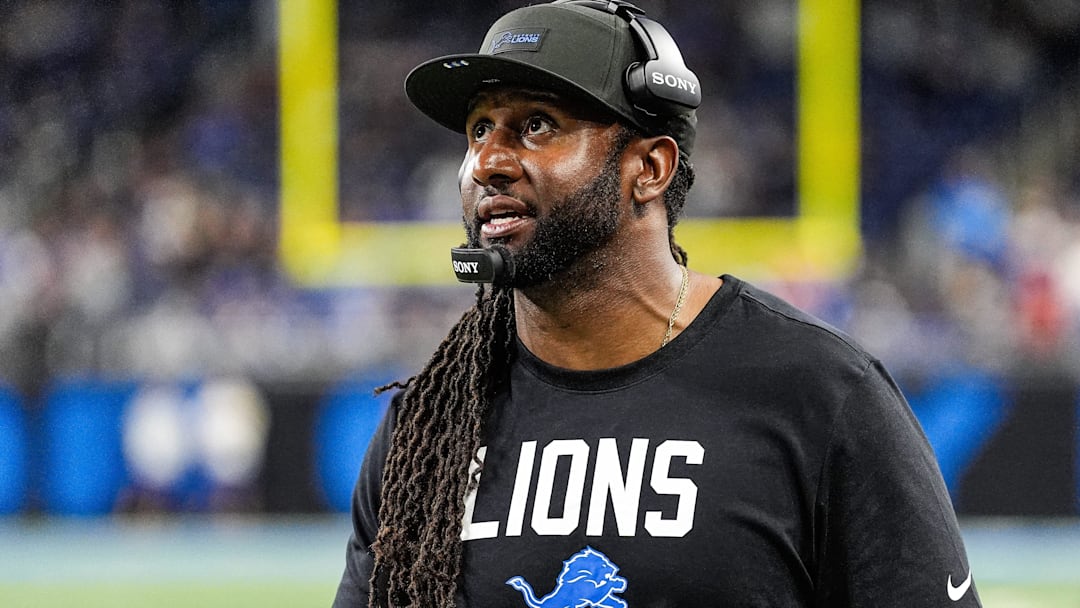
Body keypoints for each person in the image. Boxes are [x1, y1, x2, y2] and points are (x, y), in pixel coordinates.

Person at [334, 1, 982, 606]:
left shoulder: (819, 395)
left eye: (536, 126)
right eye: (479, 130)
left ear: (649, 168)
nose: (487, 162)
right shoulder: (432, 425)